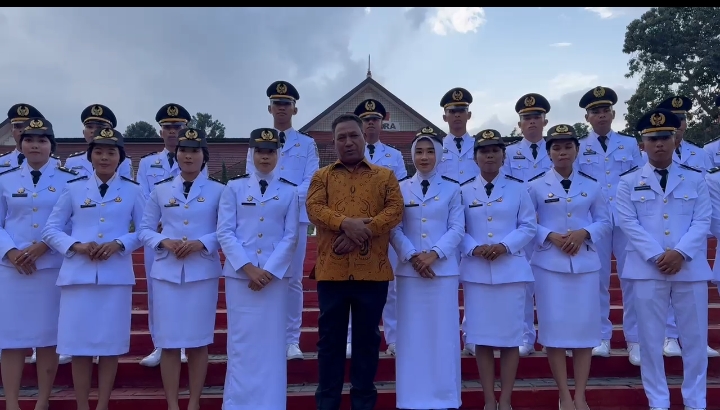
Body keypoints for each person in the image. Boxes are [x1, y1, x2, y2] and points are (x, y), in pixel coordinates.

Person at [42, 127, 145, 410]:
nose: (104, 158)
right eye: (98, 152)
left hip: (115, 277)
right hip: (78, 276)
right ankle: (82, 405)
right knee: (79, 346)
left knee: (110, 345)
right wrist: (76, 246)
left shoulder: (133, 190)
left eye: (111, 152)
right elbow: (51, 229)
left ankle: (102, 404)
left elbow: (145, 230)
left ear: (120, 157)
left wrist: (119, 243)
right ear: (90, 156)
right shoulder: (73, 188)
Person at [615, 108, 711, 410]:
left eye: (665, 137)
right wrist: (658, 255)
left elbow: (702, 220)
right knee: (650, 340)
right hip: (647, 269)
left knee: (695, 339)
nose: (659, 144)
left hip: (689, 267)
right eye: (653, 138)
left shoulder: (695, 179)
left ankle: (695, 401)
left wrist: (680, 253)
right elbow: (628, 223)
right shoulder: (628, 181)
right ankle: (658, 401)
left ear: (675, 140)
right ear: (642, 144)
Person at [306, 113, 403, 410]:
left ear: (364, 137)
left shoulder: (385, 176)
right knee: (330, 343)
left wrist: (362, 232)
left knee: (367, 342)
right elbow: (314, 209)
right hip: (332, 272)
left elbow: (395, 211)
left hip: (372, 272)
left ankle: (363, 403)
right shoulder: (321, 177)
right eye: (341, 137)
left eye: (353, 136)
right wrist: (346, 223)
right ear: (333, 142)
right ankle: (327, 403)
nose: (348, 142)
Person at [138, 128, 224, 410]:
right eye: (184, 150)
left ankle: (194, 402)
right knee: (170, 342)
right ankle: (173, 403)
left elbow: (226, 230)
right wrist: (164, 241)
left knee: (199, 341)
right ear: (176, 155)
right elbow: (144, 229)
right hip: (167, 273)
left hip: (202, 273)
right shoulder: (161, 190)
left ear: (204, 156)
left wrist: (202, 242)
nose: (188, 156)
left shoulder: (219, 190)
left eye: (195, 151)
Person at [528, 124, 611, 410]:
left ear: (577, 150)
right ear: (548, 152)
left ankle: (580, 395)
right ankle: (564, 394)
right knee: (554, 331)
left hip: (584, 265)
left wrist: (584, 233)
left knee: (584, 333)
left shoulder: (592, 184)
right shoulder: (535, 185)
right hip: (549, 265)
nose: (562, 152)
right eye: (556, 147)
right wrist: (548, 235)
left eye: (567, 147)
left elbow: (605, 221)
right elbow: (525, 222)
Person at [218, 128, 300, 410]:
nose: (265, 157)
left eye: (271, 152)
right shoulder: (234, 188)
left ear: (278, 155)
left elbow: (291, 236)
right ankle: (238, 403)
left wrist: (269, 271)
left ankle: (271, 403)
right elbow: (225, 232)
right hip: (240, 278)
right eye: (260, 152)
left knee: (271, 342)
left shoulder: (290, 191)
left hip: (274, 280)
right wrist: (248, 268)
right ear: (252, 154)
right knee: (241, 342)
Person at [0, 118, 79, 410]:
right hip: (13, 269)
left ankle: (43, 401)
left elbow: (74, 222)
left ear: (51, 146)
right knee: (11, 339)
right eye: (29, 140)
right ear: (21, 144)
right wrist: (10, 252)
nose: (35, 145)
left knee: (48, 337)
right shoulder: (5, 178)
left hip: (50, 267)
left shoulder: (70, 180)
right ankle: (11, 403)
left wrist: (45, 245)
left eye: (42, 140)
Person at [461, 129, 537, 410]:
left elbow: (528, 226)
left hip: (511, 272)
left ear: (504, 156)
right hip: (477, 273)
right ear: (475, 157)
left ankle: (505, 399)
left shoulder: (519, 188)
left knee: (509, 340)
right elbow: (458, 227)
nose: (490, 155)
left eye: (495, 150)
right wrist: (473, 247)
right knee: (481, 339)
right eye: (484, 151)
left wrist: (505, 246)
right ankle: (488, 400)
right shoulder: (463, 191)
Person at [390, 126, 464, 410]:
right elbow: (394, 228)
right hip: (410, 273)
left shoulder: (452, 189)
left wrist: (434, 254)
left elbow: (457, 228)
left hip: (441, 271)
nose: (424, 157)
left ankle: (445, 396)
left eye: (430, 151)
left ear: (439, 155)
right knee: (412, 335)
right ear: (411, 156)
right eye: (419, 152)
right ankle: (411, 397)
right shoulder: (399, 188)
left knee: (443, 334)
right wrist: (412, 256)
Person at [244, 81, 319, 361]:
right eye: (277, 103)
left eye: (286, 104)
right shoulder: (256, 142)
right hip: (262, 217)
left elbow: (311, 179)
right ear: (270, 108)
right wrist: (275, 200)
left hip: (296, 217)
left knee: (293, 279)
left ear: (295, 109)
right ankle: (264, 335)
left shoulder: (307, 144)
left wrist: (284, 199)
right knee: (262, 273)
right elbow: (252, 176)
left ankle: (291, 340)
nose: (282, 108)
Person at [574, 86, 645, 362]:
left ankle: (635, 339)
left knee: (631, 280)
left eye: (605, 110)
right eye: (595, 112)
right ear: (587, 117)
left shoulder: (629, 143)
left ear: (613, 114)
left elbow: (639, 179)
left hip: (626, 219)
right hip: (596, 221)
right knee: (597, 280)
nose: (601, 115)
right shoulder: (580, 146)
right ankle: (601, 336)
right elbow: (579, 185)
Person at [654, 95, 718, 358]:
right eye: (674, 118)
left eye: (681, 118)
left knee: (693, 287)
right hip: (663, 226)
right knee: (665, 281)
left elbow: (708, 192)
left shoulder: (700, 154)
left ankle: (696, 338)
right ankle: (669, 335)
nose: (678, 123)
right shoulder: (651, 151)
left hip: (693, 230)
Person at [346, 98, 406, 358]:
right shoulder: (348, 152)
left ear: (382, 123)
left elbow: (398, 195)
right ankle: (351, 339)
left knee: (390, 286)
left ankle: (393, 338)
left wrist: (380, 222)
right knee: (351, 285)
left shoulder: (394, 156)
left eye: (375, 119)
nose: (370, 123)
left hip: (384, 229)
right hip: (353, 229)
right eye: (366, 120)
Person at [137, 103, 194, 367]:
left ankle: (181, 343)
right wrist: (155, 224)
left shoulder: (196, 157)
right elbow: (142, 197)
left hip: (187, 237)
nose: (173, 131)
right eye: (168, 127)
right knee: (156, 291)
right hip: (157, 237)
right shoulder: (148, 163)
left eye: (178, 127)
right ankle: (160, 344)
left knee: (184, 290)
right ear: (161, 131)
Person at [502, 93, 553, 357]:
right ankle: (524, 336)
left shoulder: (556, 147)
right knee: (521, 284)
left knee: (550, 285)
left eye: (536, 117)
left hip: (550, 225)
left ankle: (554, 336)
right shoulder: (509, 152)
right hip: (519, 227)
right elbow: (507, 189)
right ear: (519, 124)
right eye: (527, 118)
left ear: (545, 121)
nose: (532, 122)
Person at [435, 87, 480, 355]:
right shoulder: (437, 147)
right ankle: (449, 335)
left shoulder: (481, 145)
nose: (457, 115)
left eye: (462, 110)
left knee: (474, 278)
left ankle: (472, 334)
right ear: (445, 116)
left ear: (469, 114)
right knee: (448, 278)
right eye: (452, 111)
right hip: (447, 220)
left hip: (477, 215)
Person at [65, 104, 134, 179]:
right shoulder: (72, 162)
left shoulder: (124, 161)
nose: (93, 131)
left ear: (110, 132)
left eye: (99, 127)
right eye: (89, 127)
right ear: (83, 132)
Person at [0, 104, 61, 171]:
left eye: (27, 127)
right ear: (11, 130)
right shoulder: (1, 161)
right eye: (18, 126)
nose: (22, 130)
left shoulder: (53, 162)